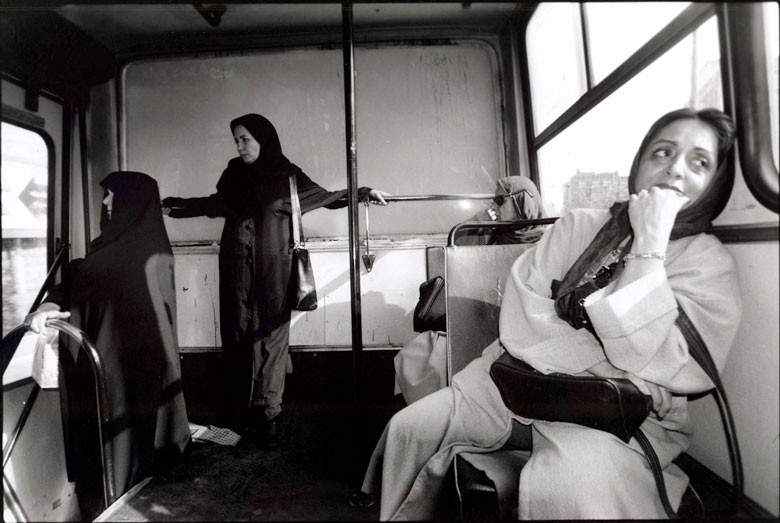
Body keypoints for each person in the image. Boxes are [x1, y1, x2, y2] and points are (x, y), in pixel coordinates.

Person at [358, 108, 742, 520]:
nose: (675, 170)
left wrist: (648, 245)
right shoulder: (578, 226)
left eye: (698, 162)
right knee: (411, 428)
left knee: (571, 483)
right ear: (640, 162)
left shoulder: (706, 264)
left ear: (715, 182)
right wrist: (615, 361)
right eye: (662, 152)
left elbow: (677, 368)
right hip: (516, 388)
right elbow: (523, 323)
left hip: (617, 420)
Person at [161, 113, 390, 446]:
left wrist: (364, 192)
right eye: (236, 140)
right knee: (238, 335)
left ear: (263, 139)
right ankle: (243, 408)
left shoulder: (288, 178)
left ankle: (270, 412)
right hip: (237, 273)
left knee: (271, 339)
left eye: (245, 139)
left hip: (274, 273)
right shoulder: (233, 175)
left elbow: (326, 198)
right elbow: (214, 204)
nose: (239, 146)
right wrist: (174, 206)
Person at [26, 171, 191, 520]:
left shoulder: (127, 259)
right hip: (127, 373)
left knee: (119, 458)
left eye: (113, 195)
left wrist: (54, 303)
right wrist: (53, 301)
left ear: (132, 201)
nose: (105, 202)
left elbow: (85, 281)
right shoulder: (137, 249)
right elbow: (81, 276)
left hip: (122, 378)